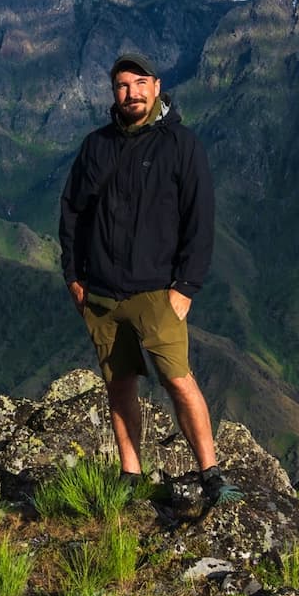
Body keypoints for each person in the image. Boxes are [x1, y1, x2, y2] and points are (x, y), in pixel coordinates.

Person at [57, 51, 242, 508]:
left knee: (179, 380)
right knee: (119, 384)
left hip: (158, 291)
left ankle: (211, 474)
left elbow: (200, 219)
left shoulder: (181, 144)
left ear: (157, 88)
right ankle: (131, 473)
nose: (132, 93)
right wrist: (73, 277)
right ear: (113, 94)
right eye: (123, 85)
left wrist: (185, 288)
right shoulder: (96, 146)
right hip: (100, 291)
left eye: (140, 83)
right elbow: (72, 212)